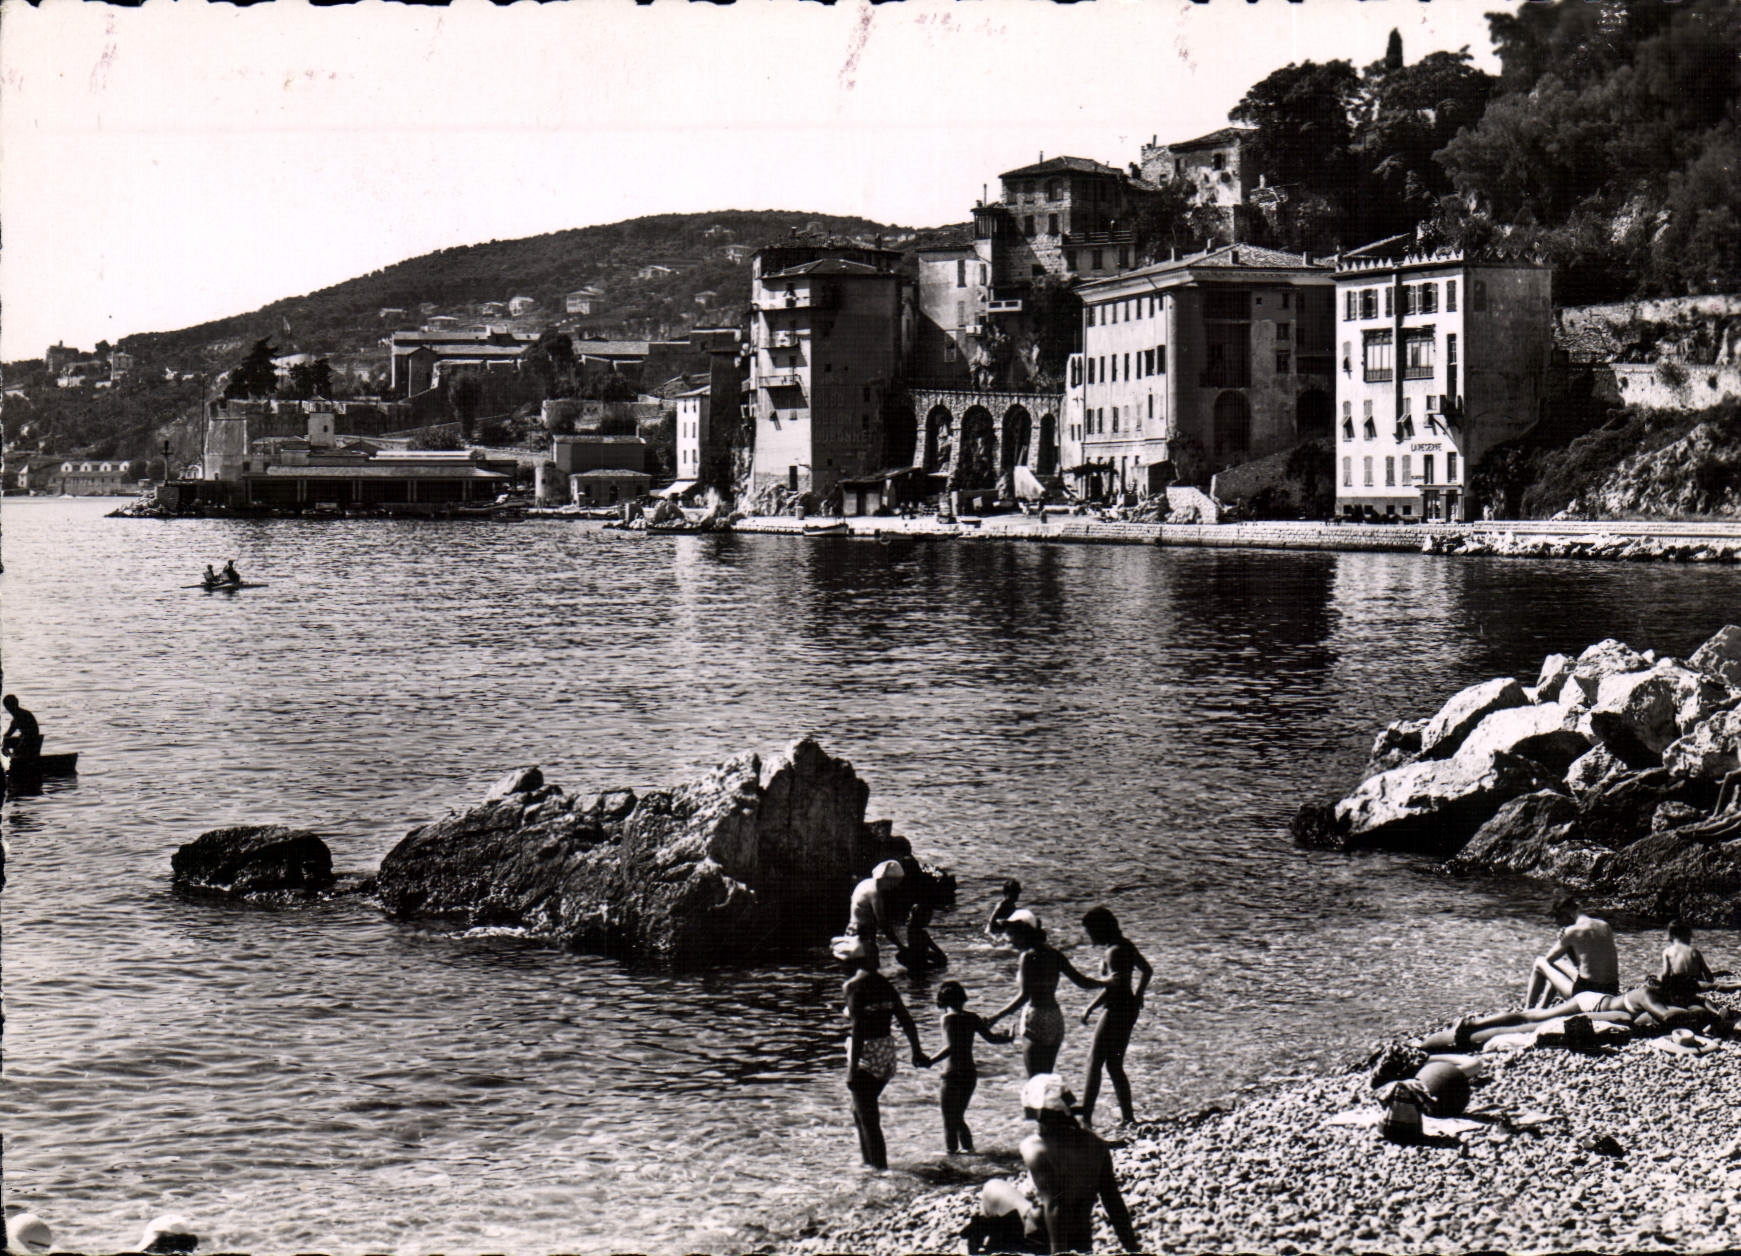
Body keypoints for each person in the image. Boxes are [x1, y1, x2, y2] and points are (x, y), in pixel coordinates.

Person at [1018, 1072, 1141, 1255]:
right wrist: (1132, 1249)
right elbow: (1113, 1201)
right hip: (1082, 1237)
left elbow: (1054, 1206)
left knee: (992, 1188)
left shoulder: (1035, 1148)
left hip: (1045, 1236)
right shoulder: (1096, 1144)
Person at [836, 935, 928, 1170]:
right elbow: (905, 1019)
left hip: (867, 1053)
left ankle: (880, 1171)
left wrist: (851, 1069)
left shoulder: (852, 985)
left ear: (850, 962)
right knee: (860, 1112)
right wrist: (917, 1051)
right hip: (887, 1051)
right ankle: (869, 1165)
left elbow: (858, 1029)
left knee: (868, 1118)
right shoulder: (883, 983)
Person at [986, 910, 1099, 1076]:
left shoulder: (1027, 957)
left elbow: (1024, 996)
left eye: (1011, 934)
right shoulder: (1055, 954)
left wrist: (995, 1017)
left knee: (1035, 1084)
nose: (1008, 940)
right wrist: (1106, 983)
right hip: (1055, 1018)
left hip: (1036, 1018)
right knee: (1046, 1082)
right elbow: (1082, 982)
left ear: (1023, 933)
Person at [1078, 906, 1153, 1127]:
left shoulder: (1113, 952)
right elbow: (1147, 971)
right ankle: (1128, 1117)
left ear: (1100, 930)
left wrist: (1089, 1008)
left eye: (1090, 931)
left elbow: (1113, 987)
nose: (1088, 936)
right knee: (1114, 1065)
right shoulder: (1126, 945)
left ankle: (1086, 1118)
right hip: (1128, 1007)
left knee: (1094, 1061)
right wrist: (1139, 994)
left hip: (1116, 1009)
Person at [929, 980, 1011, 1154]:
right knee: (958, 1117)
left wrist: (930, 1060)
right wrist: (1009, 1037)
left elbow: (950, 1048)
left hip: (951, 1074)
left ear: (942, 1002)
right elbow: (992, 1039)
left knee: (949, 1120)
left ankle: (952, 1154)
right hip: (969, 1074)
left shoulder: (947, 1018)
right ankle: (969, 1150)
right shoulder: (972, 1017)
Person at [1525, 895, 1619, 1008]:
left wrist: (1561, 939)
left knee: (1539, 962)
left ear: (1566, 915)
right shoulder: (1604, 925)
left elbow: (1549, 959)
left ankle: (1527, 1008)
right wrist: (1568, 945)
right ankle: (1543, 1006)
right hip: (1611, 991)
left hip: (1585, 996)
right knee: (1559, 963)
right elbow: (1582, 965)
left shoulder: (1572, 931)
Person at [845, 860, 908, 970]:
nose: (895, 886)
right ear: (887, 879)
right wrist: (900, 946)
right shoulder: (874, 893)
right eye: (896, 882)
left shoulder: (865, 883)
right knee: (870, 971)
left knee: (856, 971)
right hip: (863, 935)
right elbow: (882, 923)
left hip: (851, 931)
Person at [1657, 920, 1716, 1006]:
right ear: (1688, 935)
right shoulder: (1694, 952)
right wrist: (1706, 983)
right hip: (1693, 985)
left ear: (1671, 936)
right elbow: (1708, 976)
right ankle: (1715, 1011)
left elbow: (1665, 974)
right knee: (1701, 1000)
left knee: (1661, 980)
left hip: (1677, 985)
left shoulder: (1667, 951)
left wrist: (1659, 980)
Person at [899, 897, 948, 973]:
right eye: (928, 917)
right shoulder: (920, 933)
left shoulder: (911, 931)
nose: (929, 920)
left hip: (917, 961)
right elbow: (934, 948)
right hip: (921, 962)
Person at [3, 695, 42, 762]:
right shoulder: (23, 713)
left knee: (6, 742)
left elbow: (8, 734)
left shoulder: (19, 716)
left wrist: (4, 745)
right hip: (32, 742)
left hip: (28, 744)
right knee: (7, 742)